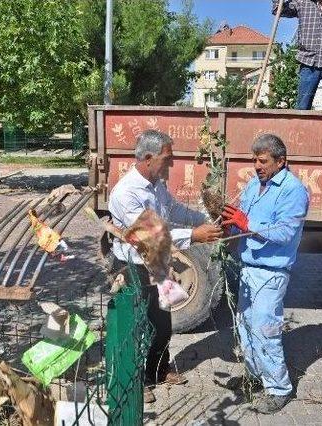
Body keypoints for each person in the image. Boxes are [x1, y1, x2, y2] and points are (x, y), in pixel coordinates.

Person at [108, 130, 222, 404]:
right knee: (135, 326)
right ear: (148, 158)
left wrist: (209, 218)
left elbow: (175, 211)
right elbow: (151, 234)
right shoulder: (126, 192)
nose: (171, 165)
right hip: (132, 266)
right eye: (166, 159)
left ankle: (157, 370)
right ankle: (135, 382)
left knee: (163, 325)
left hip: (158, 263)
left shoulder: (156, 184)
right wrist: (195, 236)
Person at [221, 134, 309, 414]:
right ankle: (255, 375)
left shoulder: (293, 190)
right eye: (254, 160)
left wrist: (247, 222)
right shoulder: (253, 185)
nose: (257, 165)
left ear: (280, 161)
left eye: (263, 161)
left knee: (265, 328)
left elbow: (286, 232)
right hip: (248, 269)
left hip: (271, 273)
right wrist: (228, 225)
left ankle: (279, 388)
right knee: (245, 324)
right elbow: (240, 221)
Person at [273, 0, 322, 110]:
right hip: (308, 62)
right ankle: (300, 127)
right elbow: (279, 10)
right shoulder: (302, 2)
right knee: (302, 107)